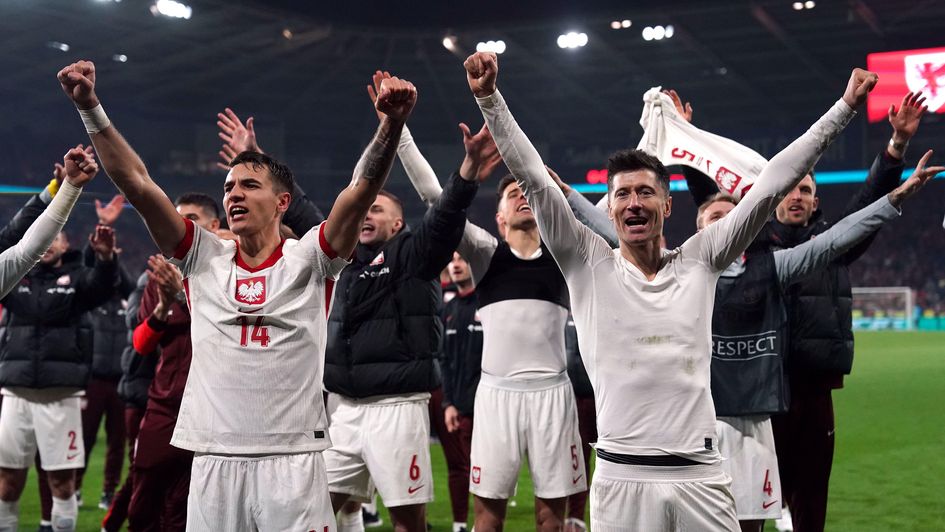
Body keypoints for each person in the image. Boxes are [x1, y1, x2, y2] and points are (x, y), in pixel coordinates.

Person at [463, 50, 878, 530]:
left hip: (700, 476)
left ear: (667, 202)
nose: (633, 203)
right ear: (611, 207)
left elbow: (772, 183)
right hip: (620, 477)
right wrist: (489, 98)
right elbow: (534, 177)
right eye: (622, 194)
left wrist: (844, 107)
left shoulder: (702, 260)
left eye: (644, 192)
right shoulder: (587, 261)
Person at [58, 58, 417, 530]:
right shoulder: (201, 257)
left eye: (250, 185)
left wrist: (391, 126)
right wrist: (89, 107)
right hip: (213, 458)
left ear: (282, 202)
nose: (234, 195)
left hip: (292, 460)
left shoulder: (310, 259)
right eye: (228, 187)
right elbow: (138, 184)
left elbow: (361, 188)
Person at [385, 68, 586, 530]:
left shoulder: (565, 254)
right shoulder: (483, 252)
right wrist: (399, 134)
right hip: (495, 394)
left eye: (525, 193)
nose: (520, 198)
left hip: (554, 392)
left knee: (551, 517)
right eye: (511, 195)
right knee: (487, 516)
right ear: (496, 217)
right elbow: (435, 196)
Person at [695, 152, 940, 532]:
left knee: (810, 496)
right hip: (761, 391)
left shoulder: (831, 244)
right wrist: (686, 147)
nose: (796, 196)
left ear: (815, 200)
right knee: (748, 500)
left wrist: (894, 156)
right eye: (790, 189)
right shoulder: (754, 246)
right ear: (774, 200)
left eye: (805, 189)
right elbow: (713, 212)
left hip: (812, 387)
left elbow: (865, 209)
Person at [323, 73, 481, 532]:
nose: (366, 212)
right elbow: (305, 211)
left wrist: (467, 173)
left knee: (407, 521)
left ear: (396, 225)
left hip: (397, 405)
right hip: (344, 406)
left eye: (377, 209)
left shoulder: (413, 253)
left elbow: (446, 216)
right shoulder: (339, 257)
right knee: (319, 510)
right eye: (364, 208)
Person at [0, 146, 114, 532]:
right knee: (7, 484)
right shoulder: (16, 279)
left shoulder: (71, 276)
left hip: (59, 391)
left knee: (60, 484)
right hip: (15, 391)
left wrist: (64, 190)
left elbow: (26, 244)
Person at [75, 195, 135, 511]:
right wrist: (103, 233)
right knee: (82, 440)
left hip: (120, 383)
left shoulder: (129, 298)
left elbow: (127, 286)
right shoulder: (90, 299)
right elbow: (86, 268)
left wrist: (113, 259)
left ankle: (108, 492)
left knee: (116, 445)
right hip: (93, 379)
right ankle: (73, 488)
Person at [101, 269, 153, 532]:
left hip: (169, 393)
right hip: (142, 394)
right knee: (140, 470)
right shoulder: (147, 284)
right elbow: (137, 324)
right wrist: (166, 304)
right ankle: (113, 523)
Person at [439, 252, 483, 532]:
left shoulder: (489, 302)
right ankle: (459, 525)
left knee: (487, 470)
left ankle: (485, 521)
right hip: (459, 406)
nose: (454, 264)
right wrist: (448, 403)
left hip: (490, 404)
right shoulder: (449, 308)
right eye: (451, 259)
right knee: (460, 467)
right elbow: (443, 358)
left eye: (461, 259)